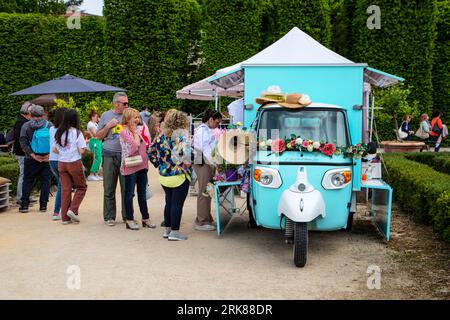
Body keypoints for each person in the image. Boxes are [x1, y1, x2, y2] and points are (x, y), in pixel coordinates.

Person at [149, 109, 192, 241]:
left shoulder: (161, 136)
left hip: (164, 176)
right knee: (177, 204)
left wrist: (159, 165)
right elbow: (187, 156)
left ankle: (167, 230)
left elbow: (150, 152)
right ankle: (175, 232)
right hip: (179, 176)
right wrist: (188, 164)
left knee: (169, 202)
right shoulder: (181, 137)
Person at [119, 108, 156, 230]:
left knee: (142, 194)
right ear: (128, 119)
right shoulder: (124, 132)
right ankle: (129, 219)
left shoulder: (137, 131)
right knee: (129, 194)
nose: (137, 120)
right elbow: (134, 147)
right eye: (135, 117)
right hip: (131, 167)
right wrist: (135, 133)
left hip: (142, 166)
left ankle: (145, 218)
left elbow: (145, 145)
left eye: (137, 117)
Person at [96, 92, 128, 226]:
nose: (127, 105)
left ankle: (128, 216)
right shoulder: (105, 115)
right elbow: (98, 136)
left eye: (127, 103)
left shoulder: (129, 114)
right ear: (116, 104)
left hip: (126, 156)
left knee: (126, 189)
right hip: (109, 155)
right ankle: (109, 217)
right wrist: (108, 126)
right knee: (109, 187)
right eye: (124, 103)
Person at [53, 109, 87, 225]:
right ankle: (72, 209)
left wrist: (63, 153)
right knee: (81, 187)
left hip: (61, 163)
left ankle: (65, 218)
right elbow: (81, 151)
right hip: (74, 162)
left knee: (66, 190)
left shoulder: (58, 132)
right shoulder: (77, 132)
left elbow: (54, 149)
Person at [18, 104, 53, 213]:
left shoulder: (26, 125)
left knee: (28, 181)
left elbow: (23, 142)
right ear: (43, 114)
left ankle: (24, 205)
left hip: (31, 158)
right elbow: (54, 141)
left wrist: (33, 155)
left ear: (31, 114)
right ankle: (43, 206)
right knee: (45, 181)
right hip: (46, 158)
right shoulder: (49, 125)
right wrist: (49, 155)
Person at [192, 110, 222, 231]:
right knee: (204, 191)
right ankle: (201, 221)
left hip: (206, 162)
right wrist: (213, 162)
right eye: (217, 122)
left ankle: (206, 218)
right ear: (210, 120)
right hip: (203, 162)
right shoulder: (202, 130)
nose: (218, 125)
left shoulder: (206, 129)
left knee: (207, 191)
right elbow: (204, 149)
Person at [12, 102, 33, 205]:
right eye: (31, 112)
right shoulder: (21, 122)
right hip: (22, 153)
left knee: (26, 174)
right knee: (23, 174)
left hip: (23, 152)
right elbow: (19, 138)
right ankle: (21, 197)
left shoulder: (23, 121)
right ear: (27, 112)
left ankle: (25, 195)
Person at [49, 107, 67, 221]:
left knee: (63, 184)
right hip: (61, 159)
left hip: (52, 160)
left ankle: (61, 210)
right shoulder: (64, 130)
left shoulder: (51, 128)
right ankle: (57, 211)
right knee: (63, 185)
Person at [86, 109, 103, 181]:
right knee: (97, 158)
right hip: (94, 141)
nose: (97, 118)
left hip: (98, 141)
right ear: (92, 117)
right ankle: (91, 174)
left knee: (99, 158)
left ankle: (96, 174)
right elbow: (96, 134)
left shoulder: (96, 124)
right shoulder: (90, 124)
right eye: (96, 116)